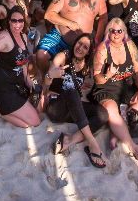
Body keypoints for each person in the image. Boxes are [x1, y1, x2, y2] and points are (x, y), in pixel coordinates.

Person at [43, 33, 108, 168]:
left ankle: (68, 141)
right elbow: (46, 83)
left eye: (85, 47)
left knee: (102, 114)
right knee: (70, 90)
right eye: (79, 43)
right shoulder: (63, 57)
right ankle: (93, 144)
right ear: (75, 43)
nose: (80, 48)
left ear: (88, 52)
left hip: (72, 108)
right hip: (56, 107)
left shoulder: (85, 67)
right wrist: (51, 75)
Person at [91, 18, 138, 160]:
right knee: (111, 109)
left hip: (126, 85)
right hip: (107, 87)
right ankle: (131, 145)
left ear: (124, 32)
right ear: (108, 32)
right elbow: (97, 77)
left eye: (119, 31)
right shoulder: (103, 49)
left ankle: (114, 134)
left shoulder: (130, 45)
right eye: (112, 31)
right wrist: (107, 75)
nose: (116, 34)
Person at [36, 0, 107, 78]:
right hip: (60, 37)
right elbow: (49, 14)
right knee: (41, 55)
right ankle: (47, 79)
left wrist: (97, 38)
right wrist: (69, 23)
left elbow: (103, 17)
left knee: (88, 68)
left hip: (83, 43)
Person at [0, 6, 41, 128]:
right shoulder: (5, 38)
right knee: (34, 122)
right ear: (9, 21)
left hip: (18, 84)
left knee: (39, 108)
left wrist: (28, 80)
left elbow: (23, 63)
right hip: (4, 88)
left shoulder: (23, 36)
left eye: (20, 21)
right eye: (14, 20)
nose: (17, 24)